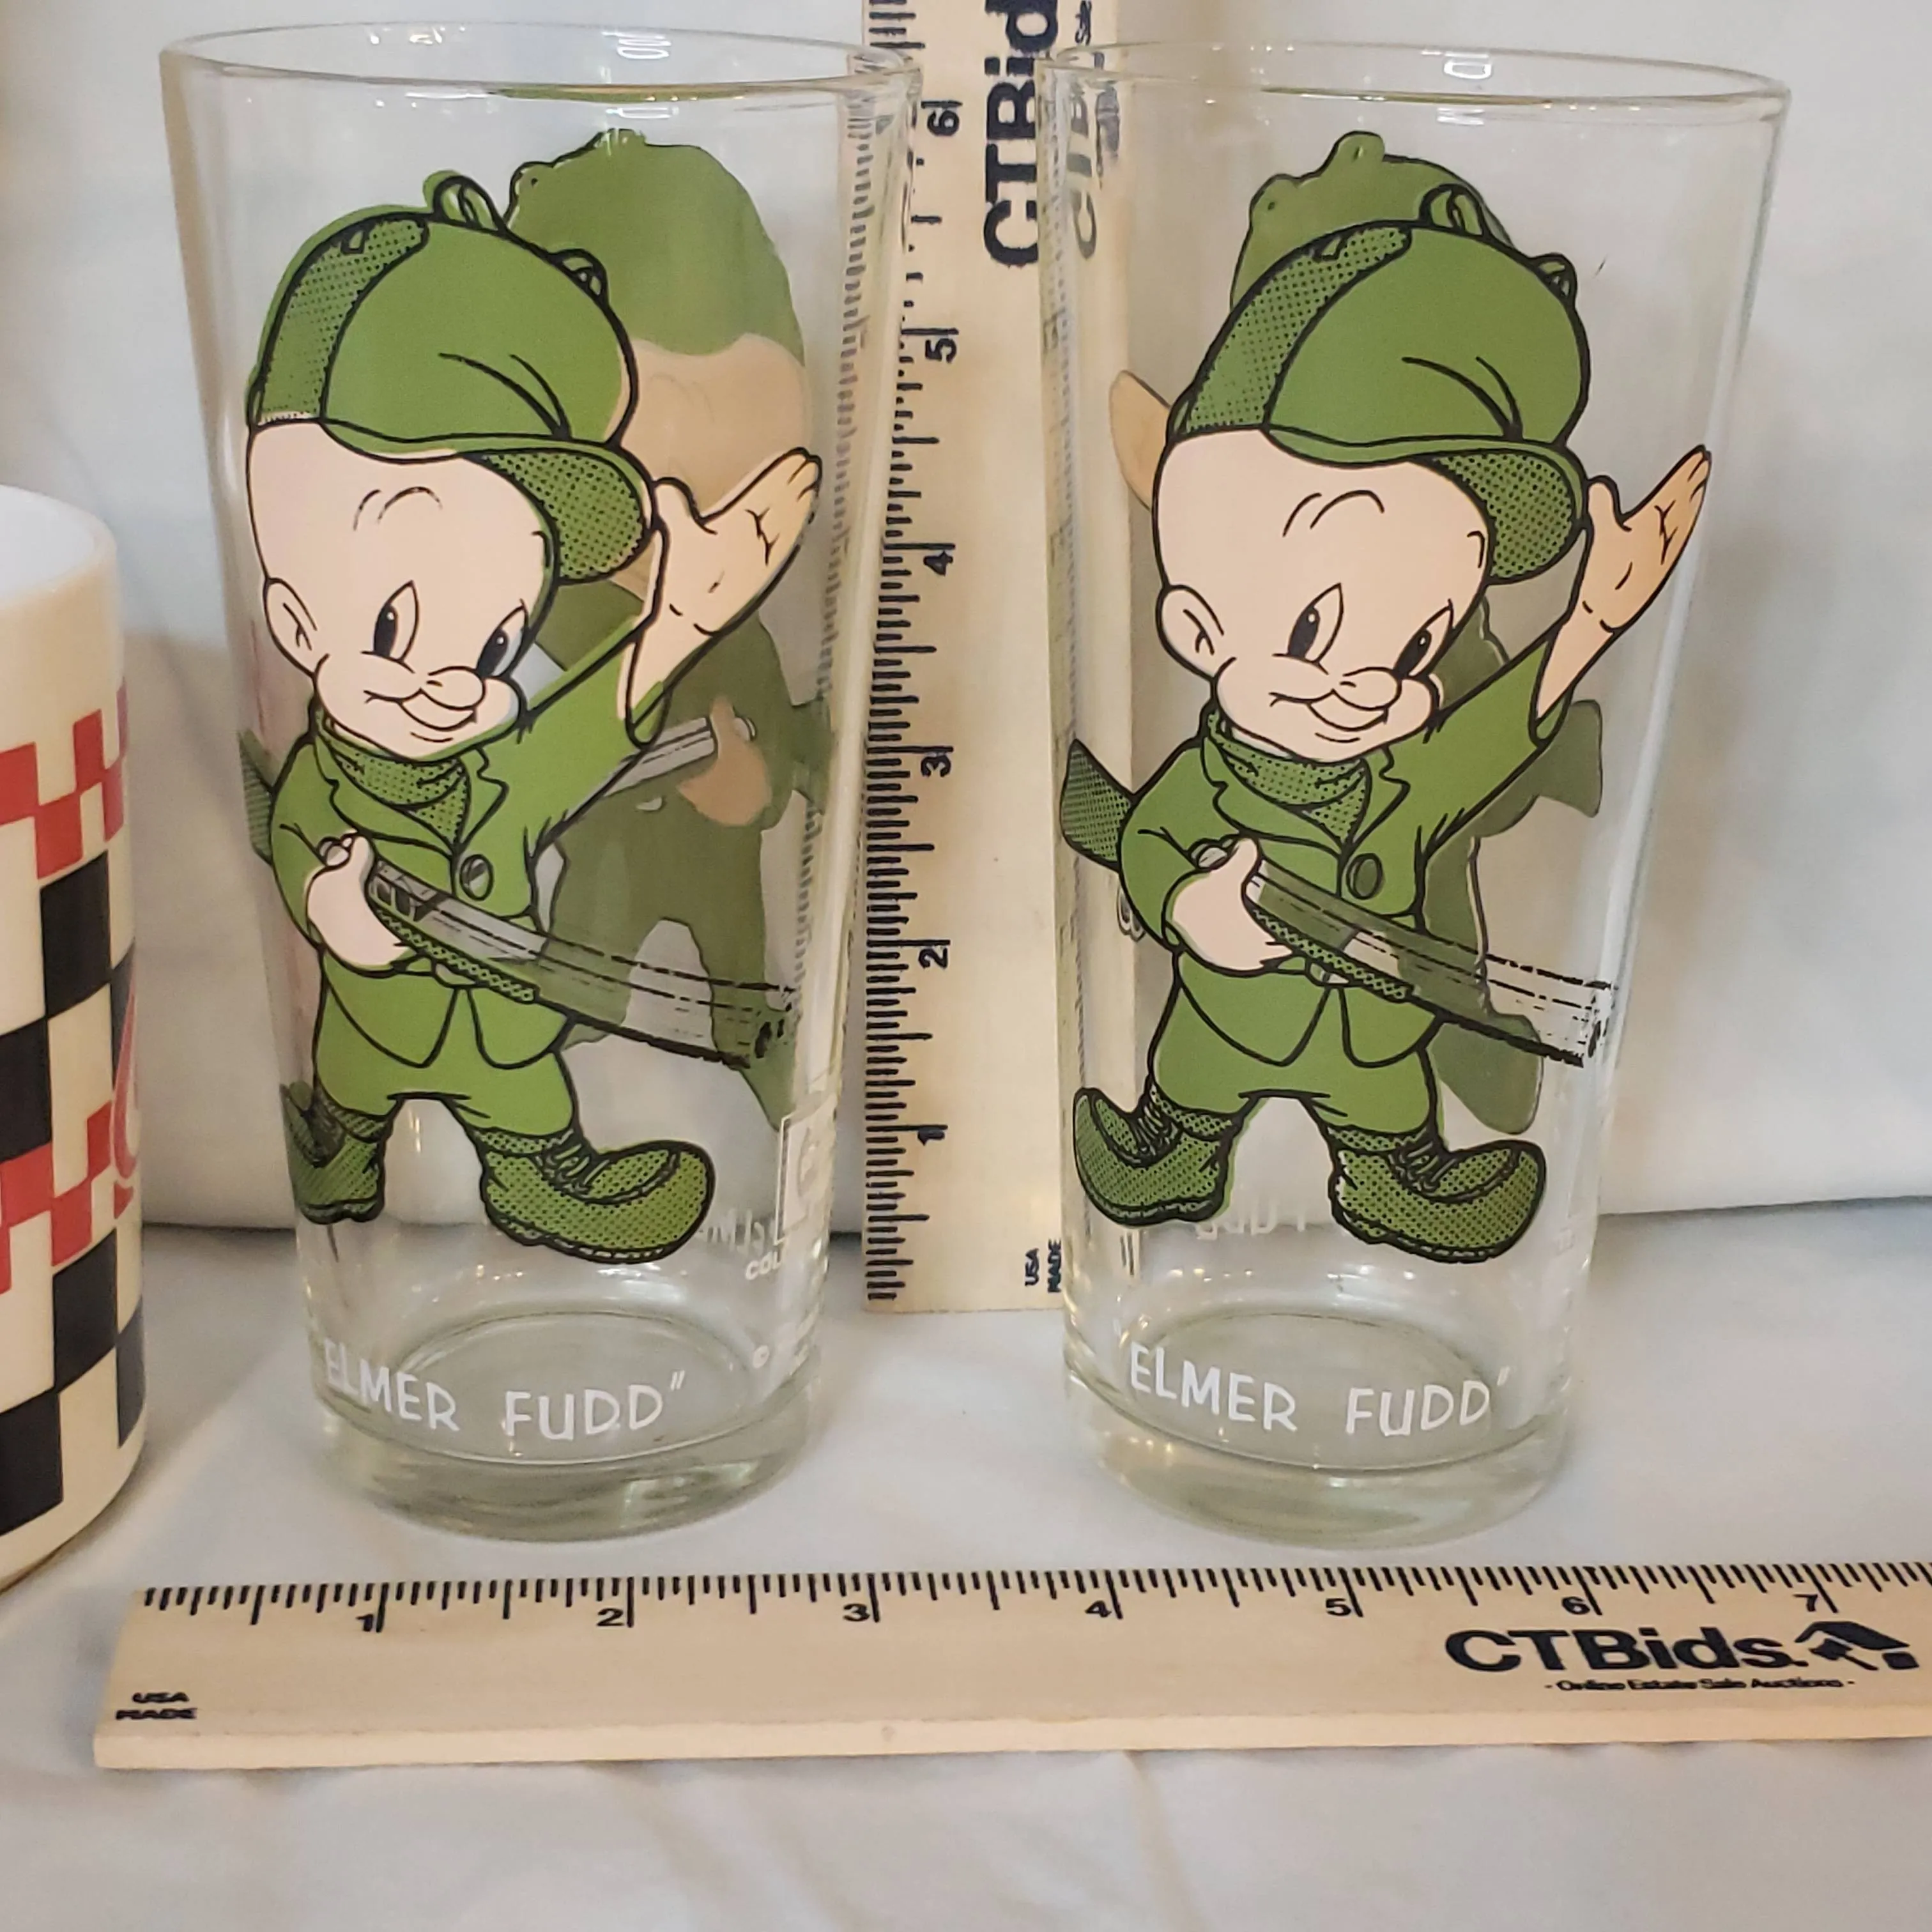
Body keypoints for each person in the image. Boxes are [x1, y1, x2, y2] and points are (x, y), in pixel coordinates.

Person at [1064, 137, 1708, 1264]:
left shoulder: (1405, 775)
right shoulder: (1208, 777)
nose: (1368, 682)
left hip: (1370, 1034)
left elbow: (1493, 736)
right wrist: (1192, 910)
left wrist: (1591, 625)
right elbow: (1153, 839)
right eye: (1312, 632)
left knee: (1386, 1112)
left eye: (1415, 646)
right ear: (1198, 632)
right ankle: (1167, 1146)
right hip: (1227, 1018)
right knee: (1194, 1084)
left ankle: (1401, 1182)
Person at [248, 174, 817, 1262]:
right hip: (374, 1020)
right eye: (392, 627)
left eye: (493, 645)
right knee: (354, 1091)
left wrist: (680, 623)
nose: (448, 682)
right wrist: (329, 904)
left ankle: (546, 1177)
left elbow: (585, 727)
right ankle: (341, 1147)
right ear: (292, 618)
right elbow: (296, 829)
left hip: (505, 1025)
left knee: (524, 1101)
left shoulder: (502, 761)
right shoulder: (328, 775)